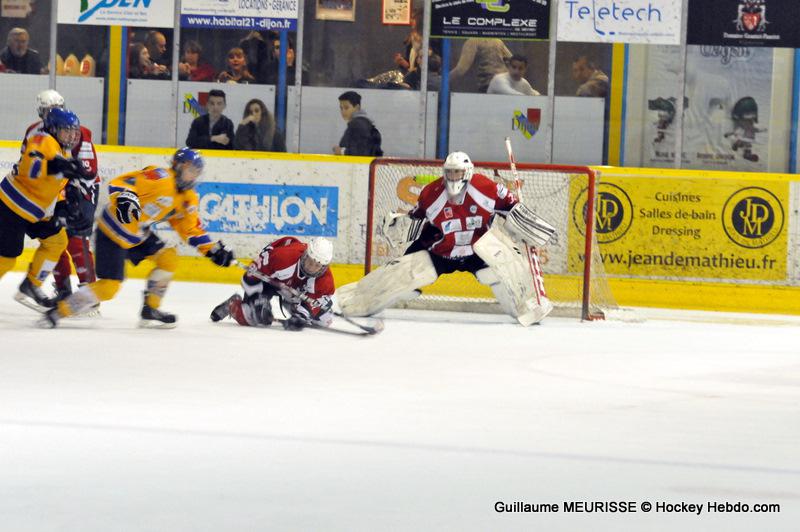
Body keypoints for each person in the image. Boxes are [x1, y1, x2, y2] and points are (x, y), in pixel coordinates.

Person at [336, 151, 556, 326]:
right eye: (450, 173)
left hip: (477, 250)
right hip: (439, 251)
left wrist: (524, 222)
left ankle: (527, 307)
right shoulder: (431, 193)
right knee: (402, 277)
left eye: (458, 173)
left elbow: (511, 208)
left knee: (500, 270)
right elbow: (416, 219)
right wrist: (398, 221)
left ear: (468, 172)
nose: (453, 178)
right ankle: (350, 301)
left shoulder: (487, 188)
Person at [41, 148, 237, 328]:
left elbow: (190, 229)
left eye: (197, 172)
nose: (194, 176)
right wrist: (125, 200)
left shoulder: (188, 198)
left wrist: (213, 250)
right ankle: (60, 311)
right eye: (192, 170)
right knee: (109, 288)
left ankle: (150, 309)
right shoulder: (160, 178)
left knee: (168, 259)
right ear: (179, 166)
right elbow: (120, 184)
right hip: (112, 232)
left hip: (136, 234)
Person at [0, 108, 85, 310]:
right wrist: (59, 167)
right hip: (12, 205)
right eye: (67, 131)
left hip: (36, 211)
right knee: (7, 257)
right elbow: (30, 169)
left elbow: (56, 185)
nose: (72, 135)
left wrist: (66, 206)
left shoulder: (63, 150)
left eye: (74, 131)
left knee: (57, 242)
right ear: (54, 128)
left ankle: (31, 285)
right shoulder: (42, 140)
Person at [22, 90, 99, 301]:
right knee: (55, 239)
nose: (52, 114)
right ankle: (64, 290)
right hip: (56, 191)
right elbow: (27, 163)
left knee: (76, 238)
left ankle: (89, 292)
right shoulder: (33, 131)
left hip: (82, 190)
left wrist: (73, 195)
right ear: (41, 112)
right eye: (47, 110)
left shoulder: (78, 131)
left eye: (56, 109)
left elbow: (88, 173)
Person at [210, 236, 335, 331]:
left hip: (294, 292)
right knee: (257, 316)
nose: (311, 267)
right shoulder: (282, 258)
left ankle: (290, 305)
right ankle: (233, 305)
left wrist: (300, 316)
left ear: (324, 267)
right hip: (270, 282)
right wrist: (255, 298)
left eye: (317, 265)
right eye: (310, 261)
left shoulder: (326, 282)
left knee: (325, 320)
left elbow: (310, 305)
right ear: (305, 254)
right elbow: (249, 278)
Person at [333, 91, 383, 157]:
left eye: (346, 108)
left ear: (357, 107)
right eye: (341, 108)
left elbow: (361, 152)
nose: (343, 112)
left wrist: (341, 151)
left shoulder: (358, 124)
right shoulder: (363, 123)